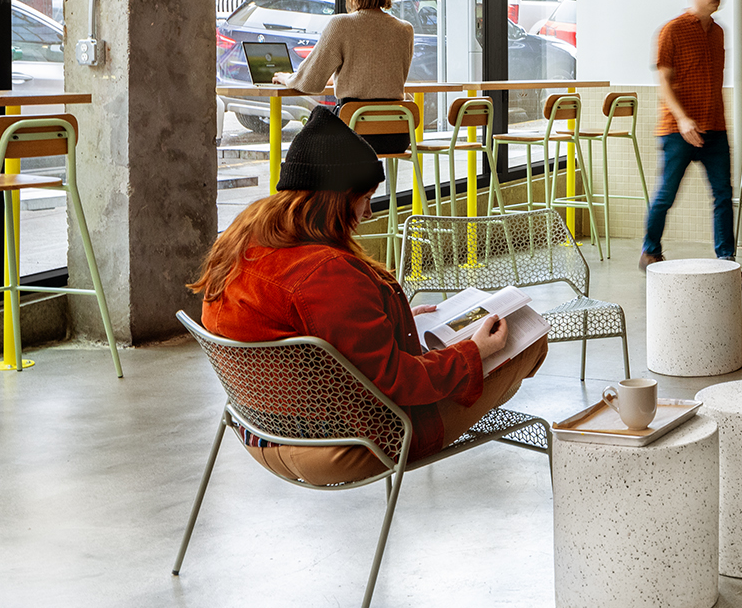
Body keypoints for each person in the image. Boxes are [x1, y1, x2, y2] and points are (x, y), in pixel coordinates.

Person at [191, 106, 548, 485]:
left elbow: (323, 330)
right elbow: (397, 380)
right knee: (531, 340)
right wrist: (475, 351)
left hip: (258, 428)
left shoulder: (243, 238)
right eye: (365, 198)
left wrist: (393, 315)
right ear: (338, 199)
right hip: (347, 444)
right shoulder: (326, 272)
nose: (369, 212)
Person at [639, 0, 742, 282]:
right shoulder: (672, 31)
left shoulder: (719, 32)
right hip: (677, 129)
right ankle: (650, 250)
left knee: (723, 195)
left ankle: (728, 264)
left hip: (715, 127)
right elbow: (664, 83)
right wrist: (683, 120)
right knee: (666, 195)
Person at [280, 0, 417, 155]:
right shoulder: (405, 29)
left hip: (355, 134)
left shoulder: (341, 25)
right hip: (398, 135)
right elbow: (382, 78)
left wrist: (286, 78)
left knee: (306, 141)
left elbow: (309, 82)